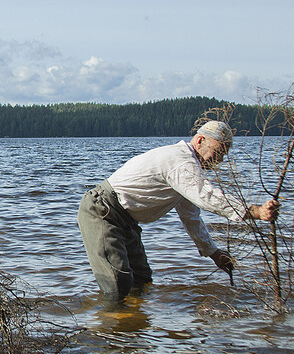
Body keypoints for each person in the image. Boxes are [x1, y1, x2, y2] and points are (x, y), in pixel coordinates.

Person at [77, 120, 280, 301]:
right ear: (200, 140)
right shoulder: (181, 161)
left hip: (125, 218)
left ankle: (133, 331)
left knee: (141, 280)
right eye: (217, 153)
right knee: (117, 284)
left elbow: (191, 217)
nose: (218, 161)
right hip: (103, 210)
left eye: (223, 156)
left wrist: (214, 253)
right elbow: (206, 195)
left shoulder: (187, 170)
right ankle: (111, 334)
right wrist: (253, 211)